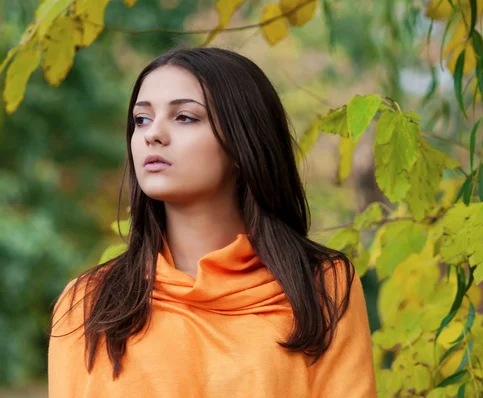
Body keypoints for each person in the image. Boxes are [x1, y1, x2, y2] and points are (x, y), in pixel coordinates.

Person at [47, 47, 376, 397]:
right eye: (142, 119)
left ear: (242, 142)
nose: (152, 134)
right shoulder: (89, 301)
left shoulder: (322, 285)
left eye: (185, 117)